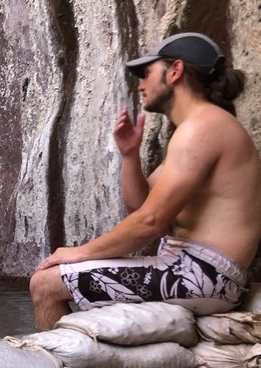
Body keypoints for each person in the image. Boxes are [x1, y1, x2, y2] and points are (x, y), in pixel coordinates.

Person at [29, 32, 261, 331]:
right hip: (196, 271)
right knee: (56, 276)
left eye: (147, 73)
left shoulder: (202, 128)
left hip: (202, 275)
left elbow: (150, 222)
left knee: (46, 283)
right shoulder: (199, 128)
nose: (141, 85)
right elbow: (140, 204)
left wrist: (78, 252)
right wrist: (130, 156)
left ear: (175, 71)